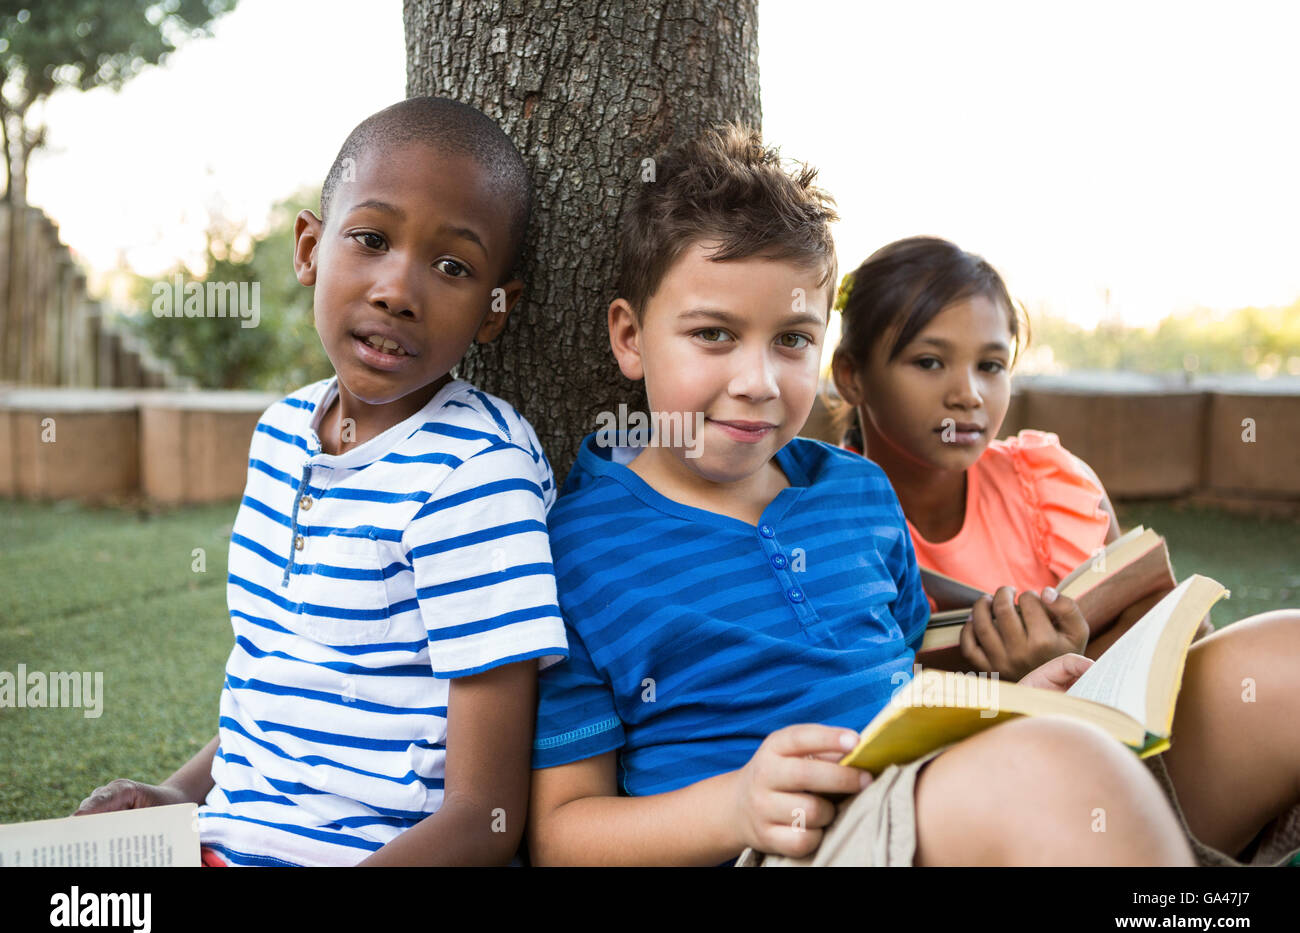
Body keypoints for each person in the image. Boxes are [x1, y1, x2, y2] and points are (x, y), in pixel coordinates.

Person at [526, 126, 1200, 867]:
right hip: (780, 845)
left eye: (791, 340)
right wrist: (734, 806)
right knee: (1066, 774)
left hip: (919, 801)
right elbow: (561, 834)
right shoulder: (576, 551)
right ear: (629, 338)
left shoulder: (857, 493)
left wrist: (1013, 693)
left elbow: (901, 675)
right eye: (714, 334)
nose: (758, 381)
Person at [75, 97, 567, 866]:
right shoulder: (279, 435)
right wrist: (173, 799)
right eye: (371, 239)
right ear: (309, 247)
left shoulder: (476, 472)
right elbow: (279, 690)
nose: (397, 290)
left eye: (453, 267)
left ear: (494, 309)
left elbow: (488, 813)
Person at [831, 236, 1300, 864]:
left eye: (991, 366)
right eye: (929, 362)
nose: (967, 393)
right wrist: (1018, 690)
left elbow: (1166, 648)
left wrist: (1085, 663)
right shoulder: (826, 525)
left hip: (1146, 772)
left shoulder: (1047, 482)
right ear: (851, 375)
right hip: (974, 813)